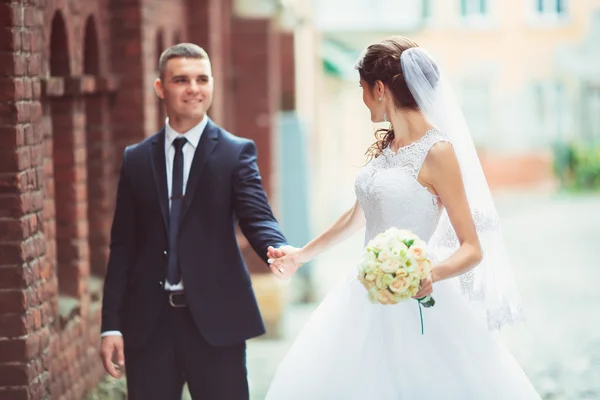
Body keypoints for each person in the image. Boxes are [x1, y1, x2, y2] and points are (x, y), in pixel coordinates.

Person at [265, 37, 541, 399]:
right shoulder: (390, 148)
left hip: (415, 298)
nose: (362, 99)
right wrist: (301, 255)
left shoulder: (438, 152)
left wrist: (427, 273)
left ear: (379, 89)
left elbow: (472, 247)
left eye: (362, 89)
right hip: (362, 293)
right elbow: (358, 215)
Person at [99, 43, 294, 400]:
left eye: (202, 79)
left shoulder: (236, 152)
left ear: (212, 85)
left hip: (217, 320)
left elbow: (258, 216)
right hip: (149, 325)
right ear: (160, 88)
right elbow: (123, 246)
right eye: (181, 80)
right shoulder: (137, 159)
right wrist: (110, 325)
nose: (194, 88)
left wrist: (278, 249)